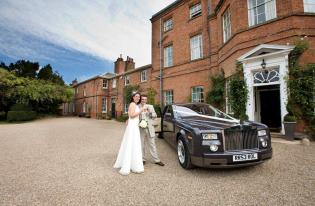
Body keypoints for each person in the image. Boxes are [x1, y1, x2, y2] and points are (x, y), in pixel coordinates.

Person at [113, 92, 144, 175]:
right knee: (131, 143)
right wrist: (141, 111)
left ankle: (134, 164)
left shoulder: (135, 105)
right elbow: (132, 115)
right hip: (132, 127)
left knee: (134, 144)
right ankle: (128, 165)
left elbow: (130, 116)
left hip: (134, 125)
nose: (138, 98)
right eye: (136, 96)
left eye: (139, 97)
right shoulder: (132, 104)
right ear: (133, 97)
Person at [139, 95, 165, 166]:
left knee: (152, 145)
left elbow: (155, 115)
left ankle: (157, 160)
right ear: (140, 100)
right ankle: (142, 159)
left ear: (146, 100)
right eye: (142, 99)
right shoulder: (137, 106)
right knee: (141, 145)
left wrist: (149, 113)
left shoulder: (150, 106)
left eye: (145, 99)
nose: (143, 100)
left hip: (150, 128)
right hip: (141, 129)